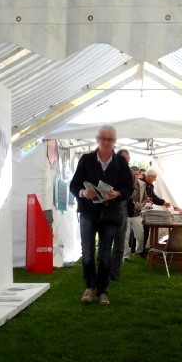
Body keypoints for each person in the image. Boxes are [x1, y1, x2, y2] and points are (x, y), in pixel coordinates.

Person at [69, 125, 133, 305]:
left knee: (105, 254)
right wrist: (83, 193)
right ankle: (90, 287)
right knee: (88, 253)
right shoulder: (87, 159)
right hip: (88, 213)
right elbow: (74, 185)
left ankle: (103, 291)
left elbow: (129, 188)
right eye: (103, 139)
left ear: (113, 142)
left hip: (110, 214)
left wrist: (118, 193)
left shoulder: (120, 163)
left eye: (110, 139)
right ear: (98, 140)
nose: (106, 142)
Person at [110, 149, 136, 280]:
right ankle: (104, 271)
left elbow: (131, 191)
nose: (127, 163)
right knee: (106, 242)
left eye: (128, 161)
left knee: (120, 242)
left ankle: (114, 272)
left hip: (121, 209)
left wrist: (120, 194)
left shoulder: (130, 173)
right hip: (107, 209)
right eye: (125, 160)